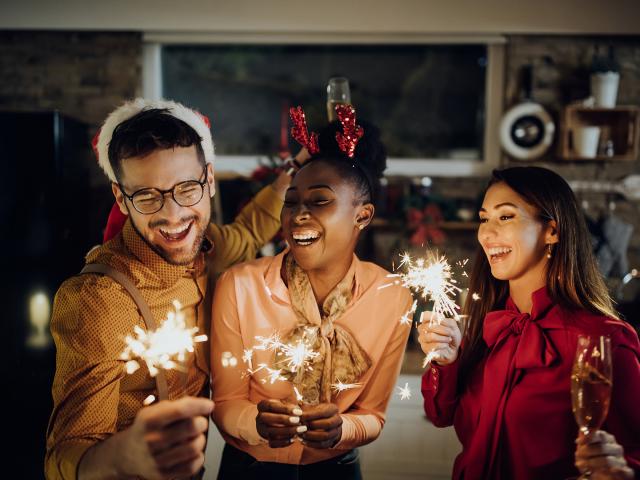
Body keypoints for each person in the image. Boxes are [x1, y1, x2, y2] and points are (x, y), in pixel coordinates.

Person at [45, 98, 303, 480]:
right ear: (121, 197)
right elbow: (63, 456)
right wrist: (122, 457)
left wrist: (295, 172)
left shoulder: (209, 245)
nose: (172, 215)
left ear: (209, 180)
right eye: (147, 196)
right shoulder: (98, 299)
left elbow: (249, 231)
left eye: (186, 188)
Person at [210, 108, 413, 479]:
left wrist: (342, 430)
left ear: (362, 216)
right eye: (291, 202)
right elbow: (224, 404)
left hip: (336, 470)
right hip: (249, 470)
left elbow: (373, 416)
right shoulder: (239, 286)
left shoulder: (392, 296)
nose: (298, 214)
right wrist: (255, 422)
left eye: (319, 201)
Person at [419, 166, 640, 479]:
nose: (486, 233)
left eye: (505, 217)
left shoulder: (603, 340)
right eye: (484, 218)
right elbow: (440, 415)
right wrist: (445, 361)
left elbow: (631, 454)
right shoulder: (484, 326)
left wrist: (619, 466)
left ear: (552, 230)